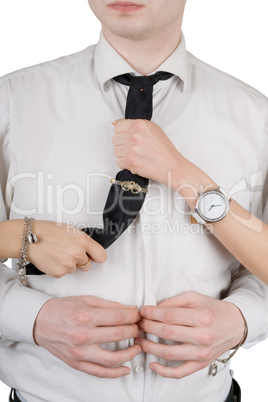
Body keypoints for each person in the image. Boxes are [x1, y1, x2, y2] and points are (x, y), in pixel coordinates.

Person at [0, 1, 268, 401]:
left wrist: (242, 318)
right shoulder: (11, 103)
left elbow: (257, 268)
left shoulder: (256, 118)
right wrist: (30, 318)